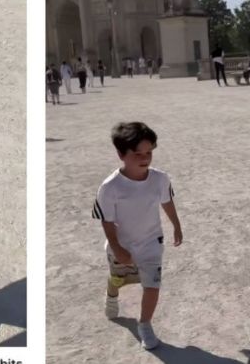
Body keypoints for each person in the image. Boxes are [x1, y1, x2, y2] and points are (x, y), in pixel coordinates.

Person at [93, 122, 183, 350]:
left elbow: (167, 201)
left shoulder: (160, 179)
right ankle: (111, 295)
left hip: (152, 243)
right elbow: (107, 220)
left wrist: (176, 225)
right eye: (137, 154)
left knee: (152, 285)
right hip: (122, 246)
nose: (145, 159)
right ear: (121, 154)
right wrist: (117, 247)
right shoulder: (110, 187)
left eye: (149, 153)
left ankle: (145, 324)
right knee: (119, 280)